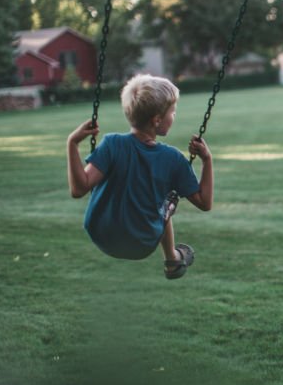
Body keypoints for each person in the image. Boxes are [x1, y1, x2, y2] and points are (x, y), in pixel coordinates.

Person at [66, 74, 213, 279]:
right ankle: (172, 260)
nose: (174, 115)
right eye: (172, 111)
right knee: (167, 201)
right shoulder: (173, 159)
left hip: (101, 232)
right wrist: (207, 160)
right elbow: (205, 203)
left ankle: (172, 259)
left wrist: (72, 143)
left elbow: (78, 189)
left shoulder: (112, 144)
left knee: (153, 196)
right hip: (141, 242)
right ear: (157, 120)